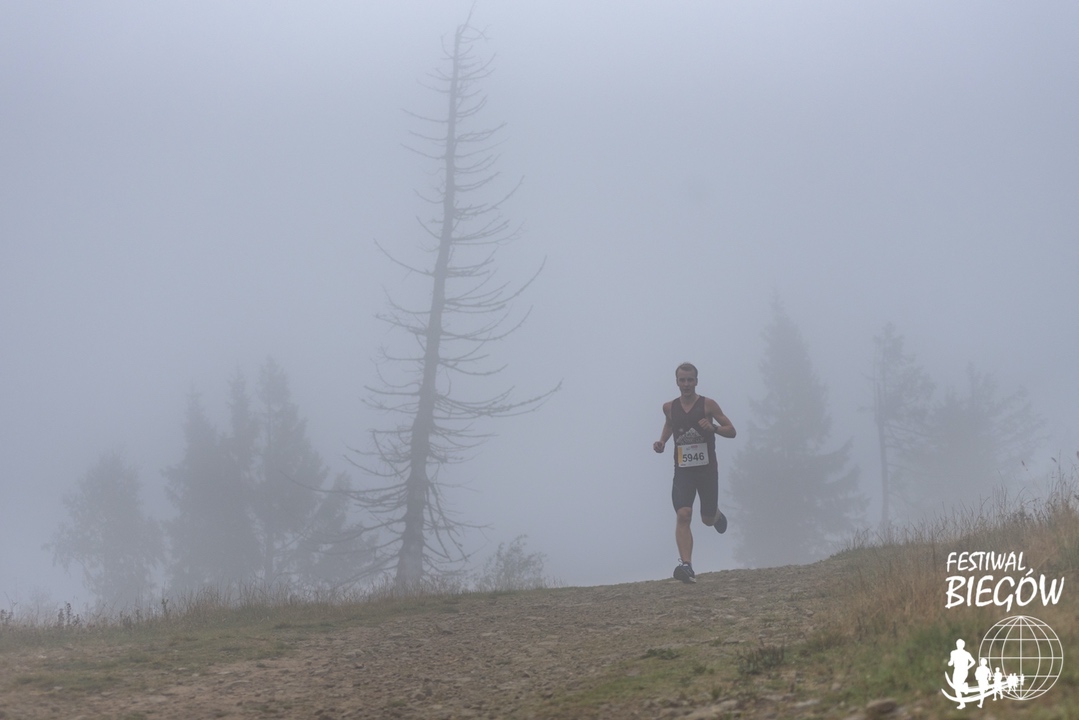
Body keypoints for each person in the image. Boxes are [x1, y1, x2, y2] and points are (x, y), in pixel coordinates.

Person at [653, 362, 736, 583]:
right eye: (682, 380)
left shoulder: (708, 405)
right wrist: (662, 442)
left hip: (707, 471)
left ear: (696, 381)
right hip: (683, 471)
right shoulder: (669, 407)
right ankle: (686, 566)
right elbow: (670, 424)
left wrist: (714, 428)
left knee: (706, 519)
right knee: (683, 514)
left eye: (690, 380)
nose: (686, 384)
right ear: (677, 382)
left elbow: (732, 430)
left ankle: (715, 515)